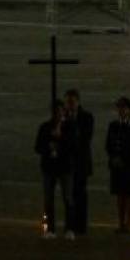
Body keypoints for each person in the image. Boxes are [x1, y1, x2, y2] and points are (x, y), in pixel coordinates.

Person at [35, 100, 77, 239]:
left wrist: (61, 139)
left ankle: (70, 229)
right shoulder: (45, 127)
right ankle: (50, 229)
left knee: (68, 198)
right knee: (48, 199)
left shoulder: (70, 127)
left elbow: (73, 145)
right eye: (56, 111)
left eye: (60, 110)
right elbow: (38, 146)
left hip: (65, 166)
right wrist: (49, 146)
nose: (58, 113)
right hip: (49, 167)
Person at [105, 96, 130, 233]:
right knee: (119, 194)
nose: (121, 110)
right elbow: (108, 144)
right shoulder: (113, 125)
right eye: (119, 107)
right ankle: (121, 222)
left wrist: (122, 158)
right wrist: (113, 157)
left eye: (123, 107)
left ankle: (129, 222)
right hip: (116, 164)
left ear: (129, 109)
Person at [64, 88, 94, 235]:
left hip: (81, 162)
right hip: (68, 162)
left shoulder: (87, 117)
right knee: (68, 194)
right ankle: (70, 225)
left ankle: (80, 226)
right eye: (68, 102)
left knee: (81, 194)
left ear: (77, 101)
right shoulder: (64, 117)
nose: (69, 105)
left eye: (71, 102)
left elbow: (85, 138)